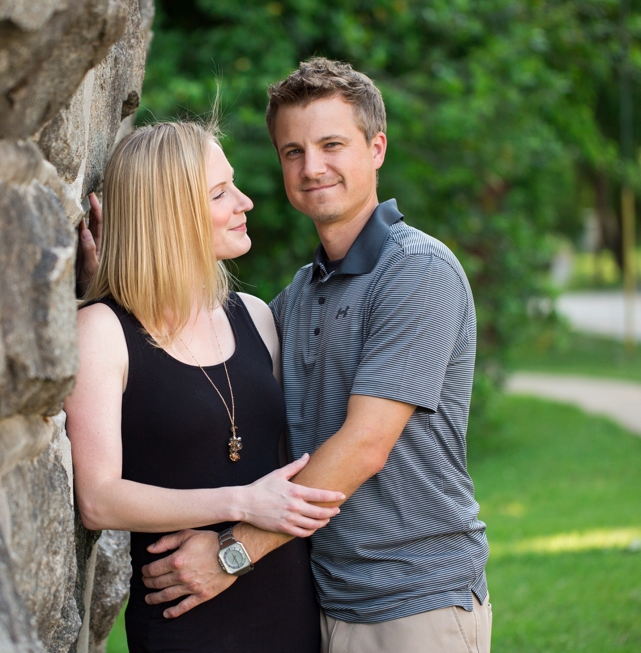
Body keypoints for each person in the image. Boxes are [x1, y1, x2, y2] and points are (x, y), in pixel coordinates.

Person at [137, 58, 492, 653]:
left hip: (416, 601)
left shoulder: (417, 271)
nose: (312, 167)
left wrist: (231, 553)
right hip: (322, 599)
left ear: (376, 148)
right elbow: (199, 344)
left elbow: (364, 446)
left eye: (332, 145)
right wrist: (118, 276)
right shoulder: (302, 294)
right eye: (293, 152)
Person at [64, 121, 346, 653]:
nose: (245, 202)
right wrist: (244, 502)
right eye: (220, 193)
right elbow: (99, 500)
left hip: (288, 607)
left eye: (232, 184)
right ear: (169, 216)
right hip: (186, 615)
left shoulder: (257, 318)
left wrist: (243, 534)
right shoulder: (102, 332)